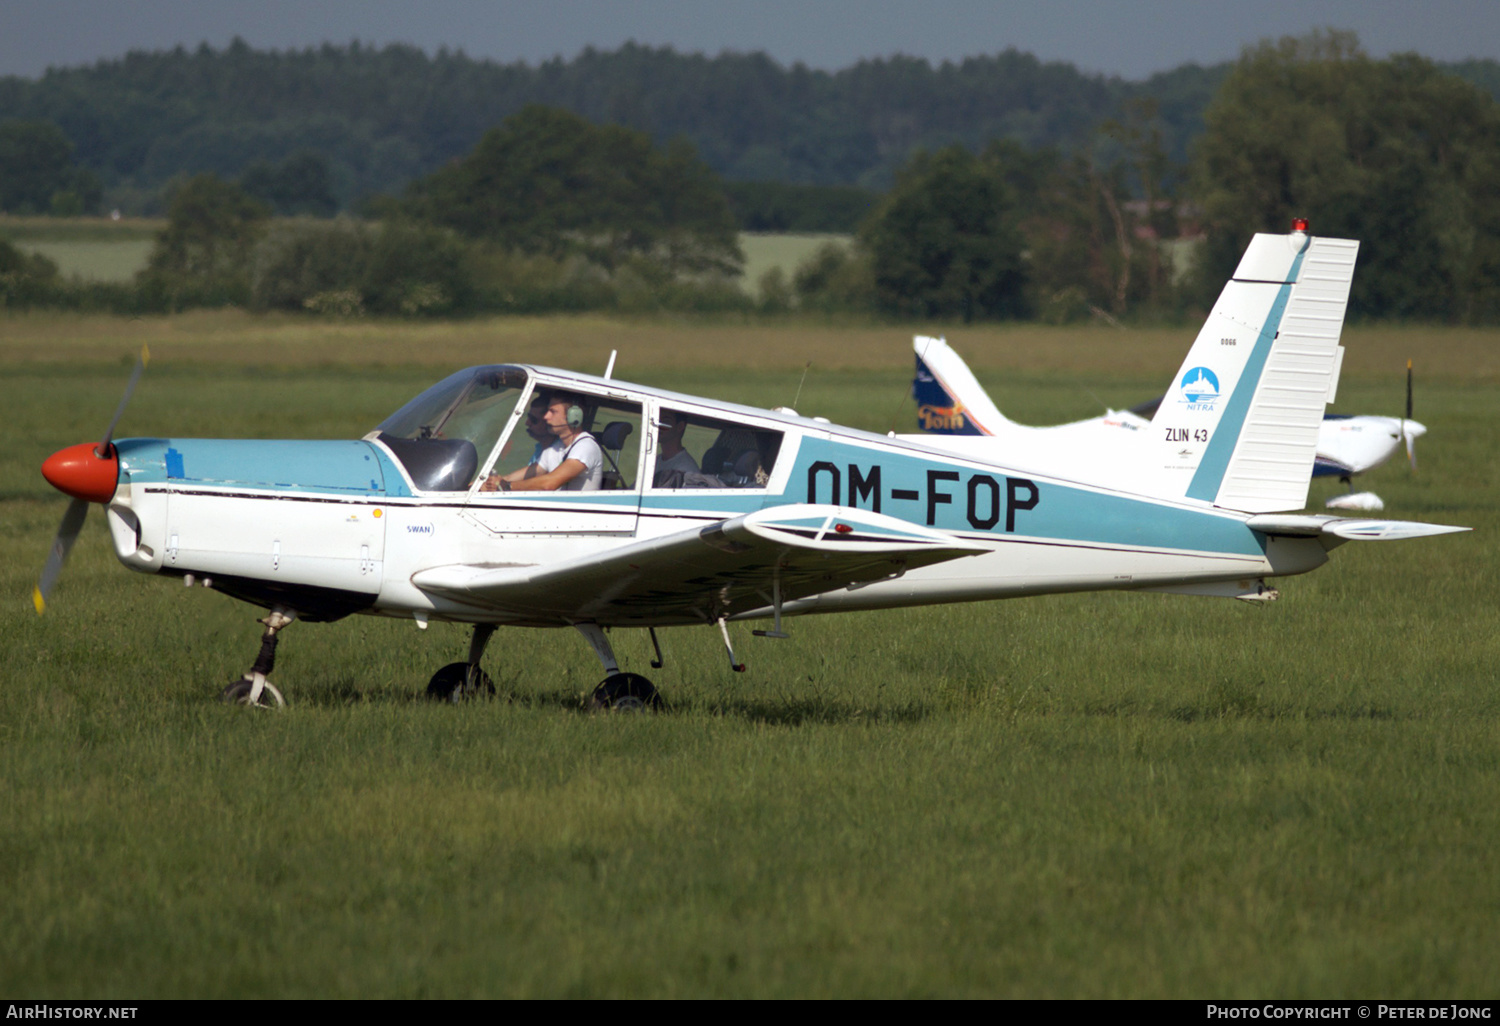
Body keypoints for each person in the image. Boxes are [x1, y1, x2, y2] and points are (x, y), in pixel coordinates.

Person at [484, 393, 603, 492]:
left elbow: (549, 483)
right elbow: (513, 477)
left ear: (573, 416)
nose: (546, 417)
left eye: (553, 411)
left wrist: (506, 487)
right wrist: (486, 483)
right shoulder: (555, 449)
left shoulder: (586, 446)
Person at [652, 409, 700, 487]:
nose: (658, 426)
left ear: (680, 426)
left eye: (665, 422)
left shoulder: (685, 470)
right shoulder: (656, 460)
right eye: (658, 421)